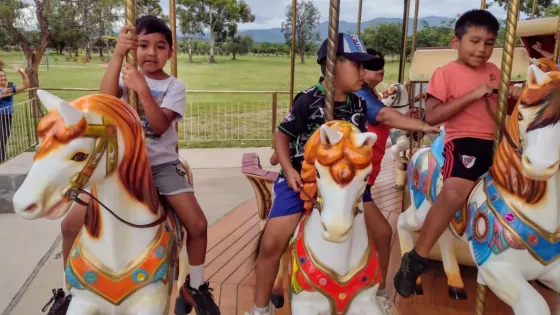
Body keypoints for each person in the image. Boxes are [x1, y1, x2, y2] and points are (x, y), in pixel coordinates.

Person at [52, 16, 220, 315]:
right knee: (69, 225)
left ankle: (195, 285)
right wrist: (118, 55)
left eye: (159, 46)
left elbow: (157, 126)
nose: (150, 53)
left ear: (170, 52)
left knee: (197, 224)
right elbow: (104, 99)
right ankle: (67, 291)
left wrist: (142, 90)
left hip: (159, 165)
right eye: (142, 45)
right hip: (117, 168)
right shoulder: (123, 79)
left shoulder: (173, 86)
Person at [248, 33, 393, 315]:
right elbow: (281, 136)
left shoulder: (359, 104)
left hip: (342, 182)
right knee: (272, 242)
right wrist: (289, 170)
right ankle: (260, 307)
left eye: (365, 67)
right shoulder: (309, 99)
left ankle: (381, 293)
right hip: (302, 179)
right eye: (358, 66)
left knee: (384, 232)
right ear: (331, 66)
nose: (364, 73)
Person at [393, 9, 522, 297]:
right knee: (454, 191)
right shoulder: (445, 74)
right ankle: (416, 258)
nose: (482, 49)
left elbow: (508, 113)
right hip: (464, 141)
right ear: (456, 41)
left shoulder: (495, 72)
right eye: (474, 41)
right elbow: (434, 115)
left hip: (499, 143)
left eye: (489, 43)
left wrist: (511, 97)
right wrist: (474, 93)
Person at [353, 48, 440, 304]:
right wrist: (422, 124)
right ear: (359, 70)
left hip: (367, 177)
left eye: (381, 65)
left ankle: (376, 289)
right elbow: (380, 115)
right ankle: (376, 291)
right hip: (355, 180)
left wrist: (405, 118)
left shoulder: (370, 95)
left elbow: (382, 117)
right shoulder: (359, 96)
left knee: (378, 233)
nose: (380, 70)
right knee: (379, 231)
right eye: (372, 66)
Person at [0, 66, 29, 163]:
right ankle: (1, 161)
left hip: (7, 116)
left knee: (4, 138)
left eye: (4, 75)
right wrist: (3, 94)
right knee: (1, 139)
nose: (3, 78)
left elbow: (25, 86)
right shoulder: (4, 90)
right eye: (0, 76)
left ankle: (2, 159)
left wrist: (23, 73)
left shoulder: (10, 88)